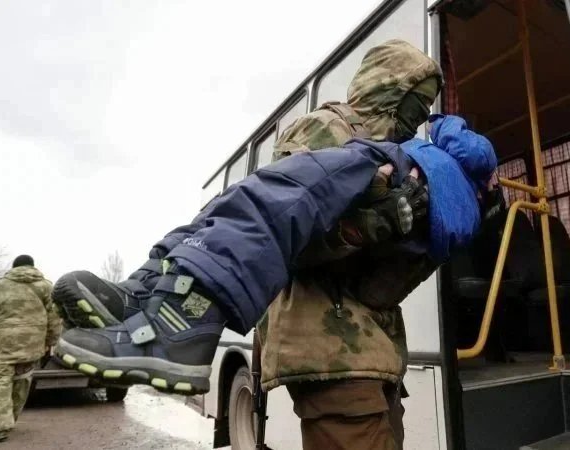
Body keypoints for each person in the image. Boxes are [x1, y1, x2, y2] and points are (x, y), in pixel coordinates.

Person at [51, 40, 499, 450]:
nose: (419, 115)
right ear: (387, 89)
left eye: (426, 105)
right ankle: (158, 297)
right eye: (414, 100)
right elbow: (281, 226)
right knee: (248, 205)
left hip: (375, 342)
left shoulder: (410, 161)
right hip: (330, 342)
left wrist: (414, 219)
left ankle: (152, 294)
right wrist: (365, 226)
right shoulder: (331, 129)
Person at [0, 255, 62, 443]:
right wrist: (50, 341)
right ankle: (10, 419)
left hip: (1, 344)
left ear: (13, 267)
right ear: (32, 267)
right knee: (21, 382)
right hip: (31, 345)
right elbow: (55, 318)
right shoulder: (46, 287)